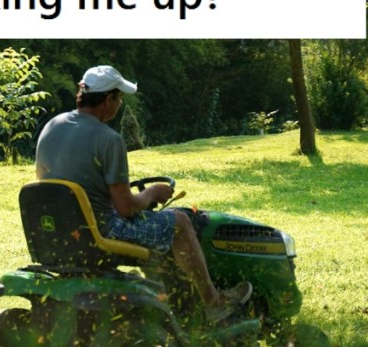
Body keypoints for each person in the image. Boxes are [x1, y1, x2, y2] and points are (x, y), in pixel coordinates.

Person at [35, 65, 252, 323]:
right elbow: (126, 208)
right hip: (102, 233)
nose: (120, 104)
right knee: (180, 222)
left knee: (156, 226)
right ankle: (213, 302)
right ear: (108, 100)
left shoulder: (51, 126)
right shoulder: (109, 139)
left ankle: (170, 301)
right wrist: (152, 193)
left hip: (58, 233)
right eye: (119, 97)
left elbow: (58, 185)